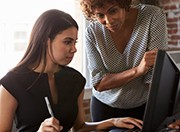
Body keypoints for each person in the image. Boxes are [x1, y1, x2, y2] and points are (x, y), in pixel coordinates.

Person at [0, 9, 143, 132]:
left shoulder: (75, 79)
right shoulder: (12, 82)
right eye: (67, 42)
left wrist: (112, 122)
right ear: (45, 40)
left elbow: (79, 127)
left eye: (75, 42)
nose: (74, 49)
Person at [79, 0, 168, 124]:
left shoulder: (153, 17)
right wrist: (137, 70)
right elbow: (99, 83)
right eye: (100, 15)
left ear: (124, 3)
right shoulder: (92, 33)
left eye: (113, 10)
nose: (109, 20)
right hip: (104, 108)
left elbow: (155, 77)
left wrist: (168, 114)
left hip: (144, 106)